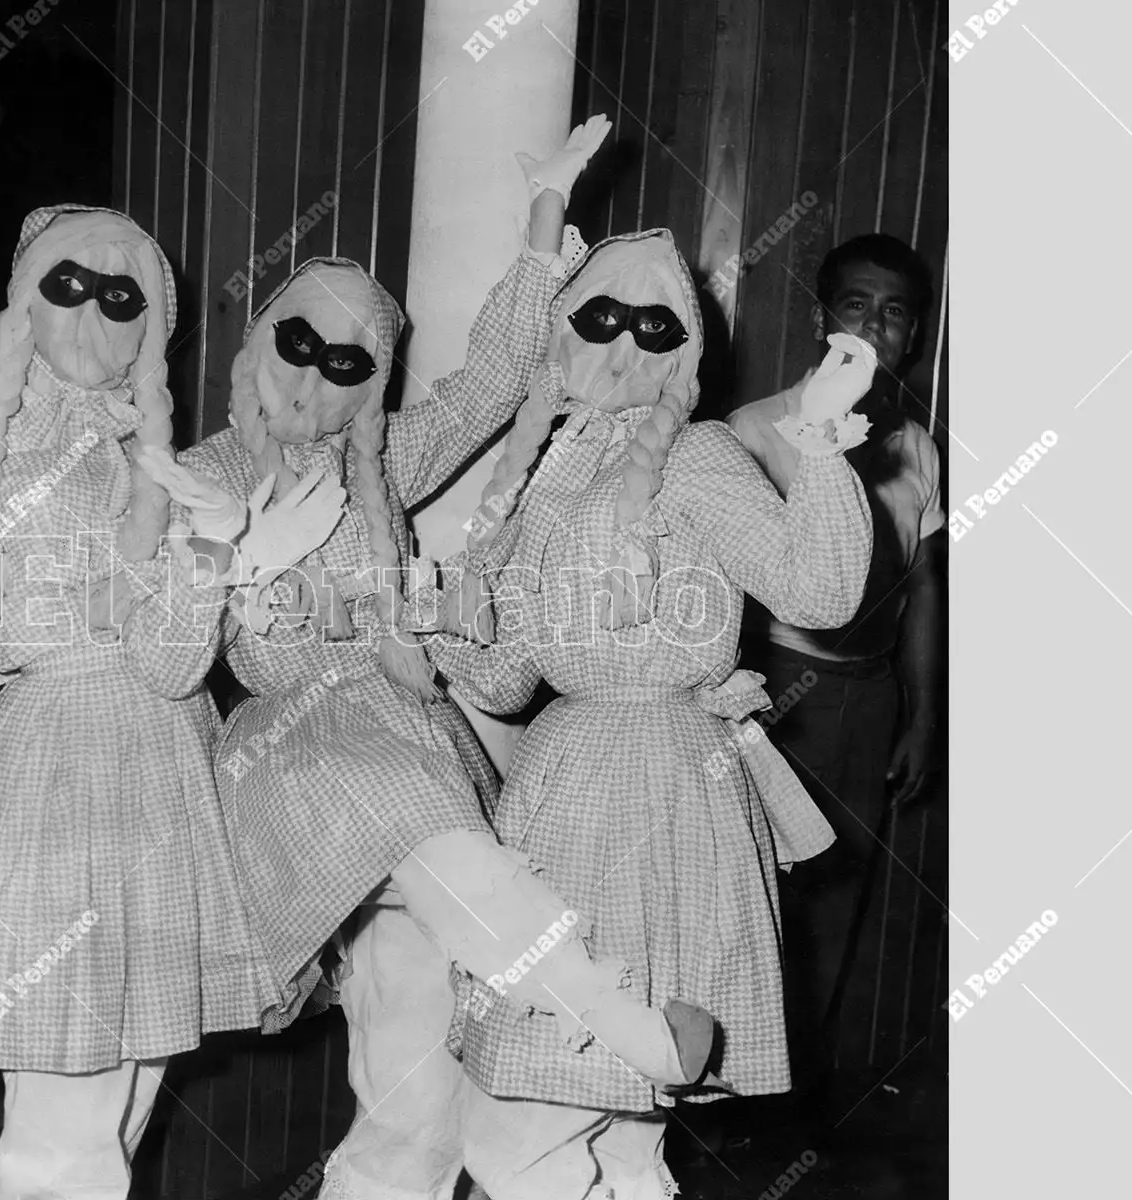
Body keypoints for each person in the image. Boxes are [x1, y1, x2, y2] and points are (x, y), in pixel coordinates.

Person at [141, 117, 724, 1200]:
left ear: (370, 385)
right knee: (445, 851)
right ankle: (620, 1019)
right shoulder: (202, 474)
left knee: (417, 1083)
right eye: (297, 344)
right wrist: (232, 562)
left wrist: (545, 221)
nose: (313, 380)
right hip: (305, 761)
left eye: (346, 364)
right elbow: (158, 633)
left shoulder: (378, 463)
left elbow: (491, 383)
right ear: (256, 342)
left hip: (411, 734)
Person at [0, 205, 343, 1199]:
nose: (94, 311)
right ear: (23, 300)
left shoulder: (168, 474)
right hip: (54, 782)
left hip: (174, 784)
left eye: (121, 296)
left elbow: (174, 667)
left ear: (153, 323)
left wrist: (222, 559)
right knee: (66, 1133)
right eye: (67, 285)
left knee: (119, 1116)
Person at [429, 229, 879, 1199]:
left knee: (540, 1125)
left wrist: (823, 442)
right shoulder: (547, 473)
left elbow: (819, 589)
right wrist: (435, 619)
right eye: (600, 318)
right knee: (600, 1125)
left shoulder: (699, 453)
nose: (624, 343)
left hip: (664, 790)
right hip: (559, 783)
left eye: (653, 325)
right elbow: (506, 681)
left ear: (685, 348)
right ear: (563, 329)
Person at [725, 232, 941, 1110]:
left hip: (870, 697)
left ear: (912, 335)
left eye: (894, 313)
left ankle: (791, 1107)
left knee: (834, 905)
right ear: (823, 320)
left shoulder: (917, 446)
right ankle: (729, 1101)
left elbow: (923, 589)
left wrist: (921, 715)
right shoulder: (753, 431)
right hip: (778, 693)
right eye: (856, 305)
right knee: (755, 898)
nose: (874, 326)